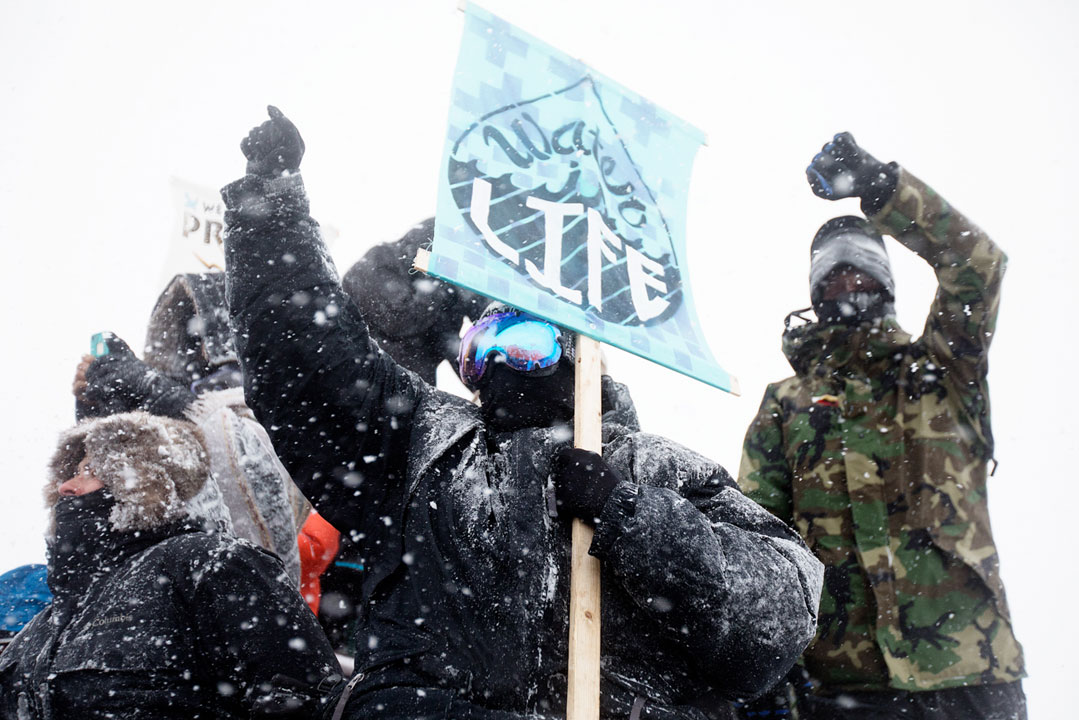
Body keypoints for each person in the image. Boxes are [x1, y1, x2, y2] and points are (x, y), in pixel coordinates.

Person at [219, 105, 824, 720]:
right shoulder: (420, 447)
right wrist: (272, 211)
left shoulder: (654, 467)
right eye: (483, 349)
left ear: (576, 355)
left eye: (527, 344)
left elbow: (778, 612)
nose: (504, 361)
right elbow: (309, 363)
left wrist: (630, 518)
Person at [738, 132, 1025, 719]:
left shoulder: (945, 371)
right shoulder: (785, 406)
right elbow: (758, 539)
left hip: (972, 677)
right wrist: (772, 670)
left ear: (887, 283)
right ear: (815, 294)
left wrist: (882, 188)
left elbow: (978, 265)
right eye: (833, 277)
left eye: (862, 271)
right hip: (845, 691)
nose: (848, 284)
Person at [0, 410, 340, 719]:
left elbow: (305, 697)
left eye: (89, 470)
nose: (65, 486)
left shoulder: (208, 564)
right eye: (72, 473)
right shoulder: (40, 629)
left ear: (142, 480)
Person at [73, 271, 307, 586]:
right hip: (163, 605)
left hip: (234, 606)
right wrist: (100, 417)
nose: (192, 351)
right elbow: (106, 533)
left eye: (200, 339)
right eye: (186, 339)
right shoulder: (166, 428)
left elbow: (259, 502)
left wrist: (159, 393)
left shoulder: (289, 418)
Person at [341, 217, 484, 385]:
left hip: (413, 387)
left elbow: (448, 340)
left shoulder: (442, 283)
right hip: (369, 381)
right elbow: (399, 318)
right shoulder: (377, 262)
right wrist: (440, 288)